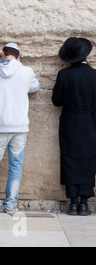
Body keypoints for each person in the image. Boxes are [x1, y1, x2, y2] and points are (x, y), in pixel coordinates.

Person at [0, 43, 40, 215]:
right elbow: (35, 87)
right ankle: (10, 205)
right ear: (18, 56)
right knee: (16, 166)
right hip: (20, 127)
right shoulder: (27, 72)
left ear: (2, 54)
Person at [52, 37, 95, 216]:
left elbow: (56, 101)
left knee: (69, 158)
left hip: (70, 121)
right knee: (88, 159)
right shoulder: (95, 75)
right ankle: (84, 203)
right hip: (91, 122)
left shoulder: (64, 75)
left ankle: (73, 202)